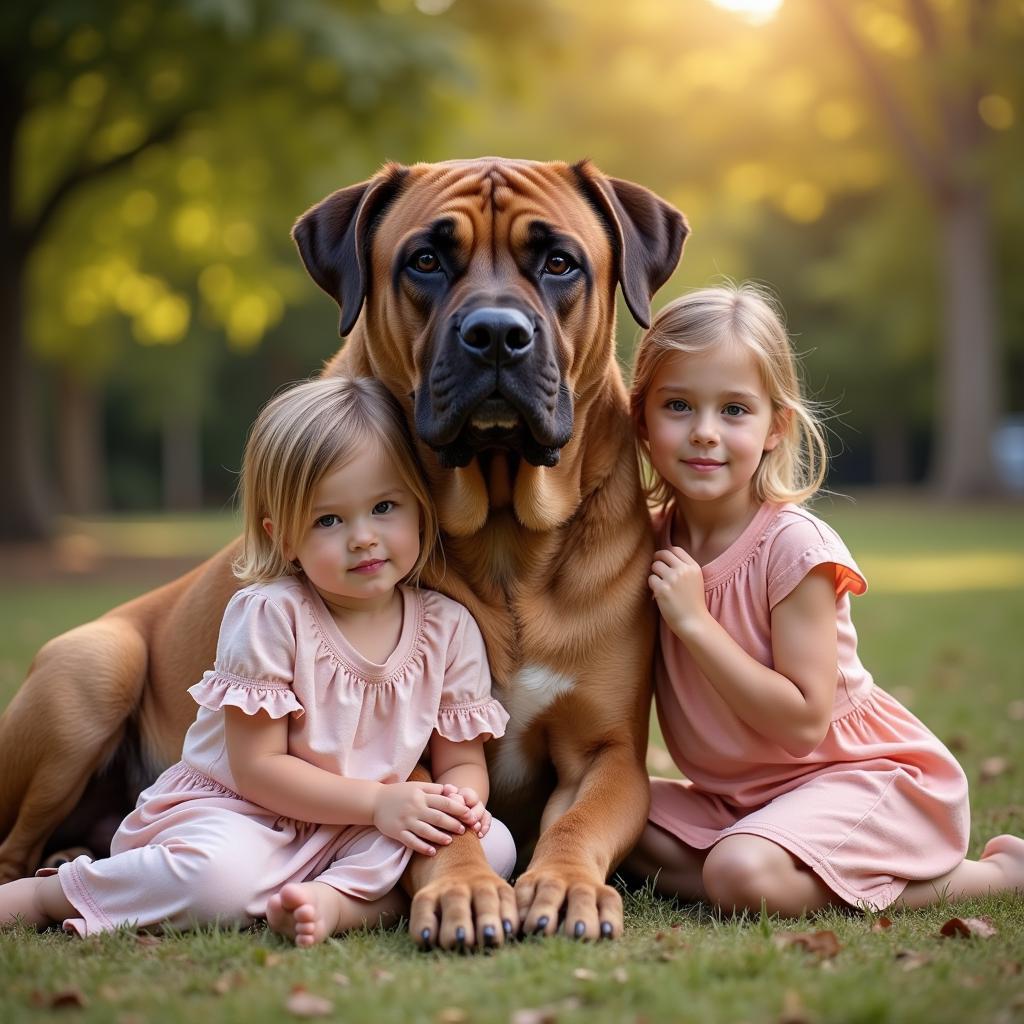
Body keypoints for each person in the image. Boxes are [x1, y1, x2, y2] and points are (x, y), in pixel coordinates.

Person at [0, 377, 515, 946]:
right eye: (328, 520)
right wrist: (380, 802)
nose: (363, 538)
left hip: (359, 825)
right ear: (283, 537)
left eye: (384, 507)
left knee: (495, 848)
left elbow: (461, 760)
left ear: (421, 510)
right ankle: (49, 892)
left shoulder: (448, 628)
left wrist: (457, 804)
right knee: (217, 882)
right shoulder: (270, 614)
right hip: (246, 817)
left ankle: (336, 904)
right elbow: (258, 770)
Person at [622, 284, 1024, 916]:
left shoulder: (794, 546)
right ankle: (761, 870)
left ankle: (998, 876)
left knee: (738, 872)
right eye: (678, 406)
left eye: (734, 410)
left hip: (858, 780)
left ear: (776, 426)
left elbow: (804, 721)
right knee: (609, 815)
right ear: (641, 419)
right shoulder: (643, 540)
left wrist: (695, 623)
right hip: (738, 799)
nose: (704, 432)